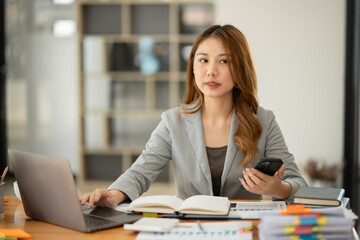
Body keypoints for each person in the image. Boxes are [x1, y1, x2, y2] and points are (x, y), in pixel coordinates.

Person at [80, 24, 307, 209]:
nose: (211, 71)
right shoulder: (173, 122)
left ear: (240, 68)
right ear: (193, 68)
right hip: (188, 228)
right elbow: (140, 172)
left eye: (224, 61)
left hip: (242, 229)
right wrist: (113, 195)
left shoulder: (263, 120)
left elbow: (298, 183)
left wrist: (277, 189)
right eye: (203, 60)